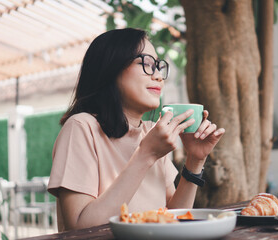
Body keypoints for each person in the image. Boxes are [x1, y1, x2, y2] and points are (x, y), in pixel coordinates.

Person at [48, 28, 225, 231]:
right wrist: (146, 154)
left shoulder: (151, 133)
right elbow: (81, 226)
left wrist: (195, 160)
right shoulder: (81, 127)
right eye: (147, 64)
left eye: (159, 66)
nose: (159, 76)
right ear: (111, 67)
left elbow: (174, 217)